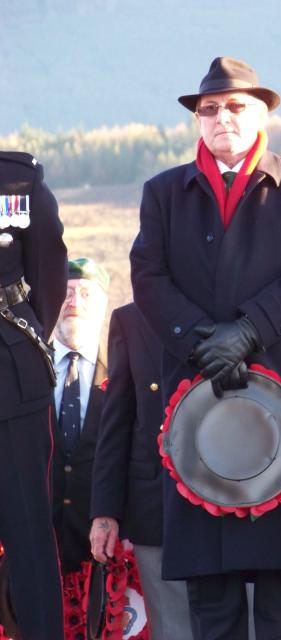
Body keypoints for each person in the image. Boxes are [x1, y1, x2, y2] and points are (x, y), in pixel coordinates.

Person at [128, 56, 281, 639]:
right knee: (211, 598)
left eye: (237, 106)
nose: (223, 117)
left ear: (263, 112)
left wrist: (247, 332)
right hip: (195, 405)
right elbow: (147, 276)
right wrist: (206, 343)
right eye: (210, 108)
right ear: (197, 120)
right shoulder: (163, 192)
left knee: (278, 601)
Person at [90, 302, 193, 640]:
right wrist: (105, 512)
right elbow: (117, 421)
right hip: (156, 510)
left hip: (230, 504)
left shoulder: (235, 309)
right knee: (172, 631)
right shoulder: (130, 320)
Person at [0, 150, 67, 639]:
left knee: (29, 539)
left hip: (10, 379)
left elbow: (48, 275)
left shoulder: (14, 183)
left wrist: (23, 338)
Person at [52, 257, 109, 576]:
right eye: (66, 292)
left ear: (103, 307)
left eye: (86, 293)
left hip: (99, 556)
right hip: (29, 548)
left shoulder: (121, 374)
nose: (74, 301)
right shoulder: (25, 368)